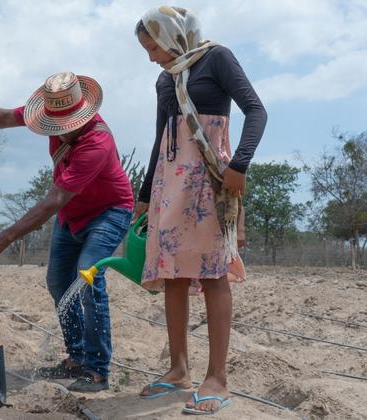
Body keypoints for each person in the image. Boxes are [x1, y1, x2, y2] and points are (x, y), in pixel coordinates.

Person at [0, 71, 134, 392]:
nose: (60, 130)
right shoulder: (50, 116)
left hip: (108, 213)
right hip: (71, 216)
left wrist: (2, 239)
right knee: (59, 281)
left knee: (88, 278)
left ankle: (97, 369)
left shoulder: (97, 142)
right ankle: (75, 357)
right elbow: (6, 117)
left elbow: (54, 200)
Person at [133, 6, 267, 415]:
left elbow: (256, 112)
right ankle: (178, 370)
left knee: (212, 274)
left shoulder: (217, 58)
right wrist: (143, 194)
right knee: (172, 275)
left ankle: (218, 378)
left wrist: (239, 166)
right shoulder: (165, 77)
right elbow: (161, 138)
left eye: (152, 45)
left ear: (172, 34)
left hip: (210, 181)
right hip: (168, 185)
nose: (151, 55)